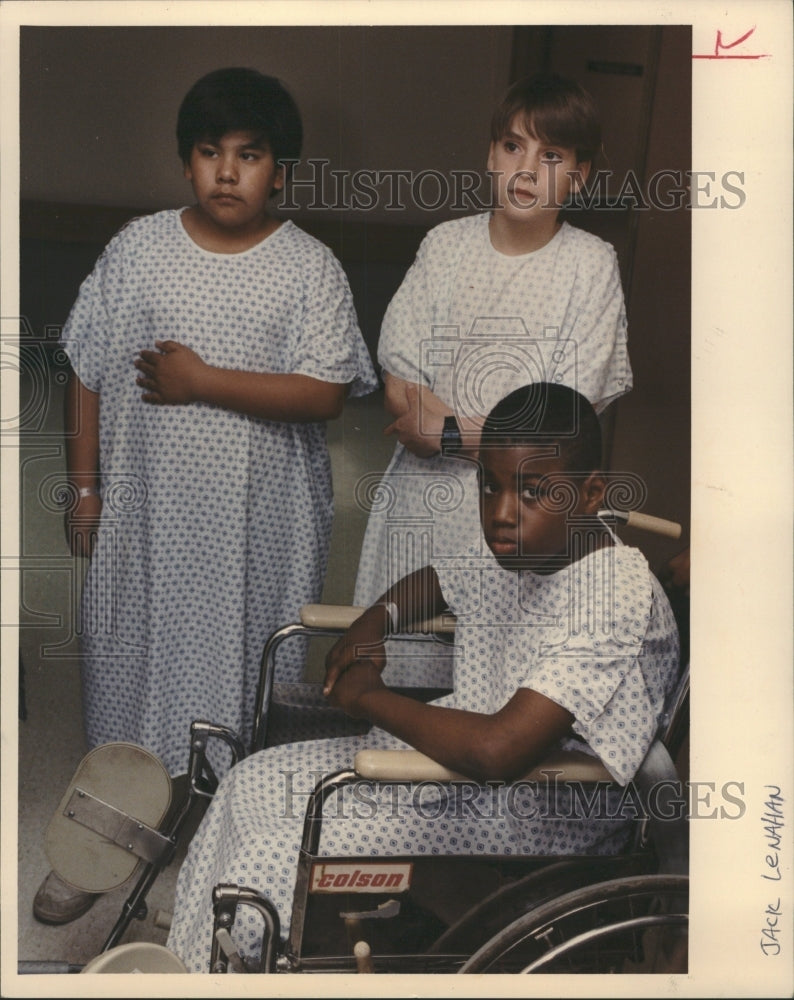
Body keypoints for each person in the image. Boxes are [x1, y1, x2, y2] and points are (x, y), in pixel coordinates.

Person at [165, 382, 680, 972]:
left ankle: (234, 960)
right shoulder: (534, 545)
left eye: (534, 491)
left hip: (540, 813)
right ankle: (192, 958)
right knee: (249, 779)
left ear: (589, 496)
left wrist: (373, 699)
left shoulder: (611, 599)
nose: (503, 511)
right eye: (491, 484)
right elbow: (440, 577)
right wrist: (374, 622)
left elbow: (498, 752)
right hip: (466, 779)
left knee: (275, 851)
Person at [34, 67, 377, 925]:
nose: (229, 172)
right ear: (186, 164)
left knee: (239, 682)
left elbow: (326, 392)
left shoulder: (308, 267)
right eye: (209, 152)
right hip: (149, 519)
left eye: (251, 155)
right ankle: (101, 844)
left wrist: (203, 382)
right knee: (129, 666)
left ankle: (226, 853)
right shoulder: (140, 249)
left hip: (257, 529)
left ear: (281, 171)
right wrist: (85, 487)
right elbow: (87, 364)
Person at [353, 73, 632, 691]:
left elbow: (560, 429)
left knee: (492, 694)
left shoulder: (590, 266)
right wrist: (486, 433)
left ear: (579, 175)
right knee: (403, 679)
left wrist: (449, 434)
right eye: (513, 147)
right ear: (490, 154)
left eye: (551, 155)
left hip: (525, 514)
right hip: (422, 506)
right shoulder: (445, 246)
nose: (526, 170)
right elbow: (404, 392)